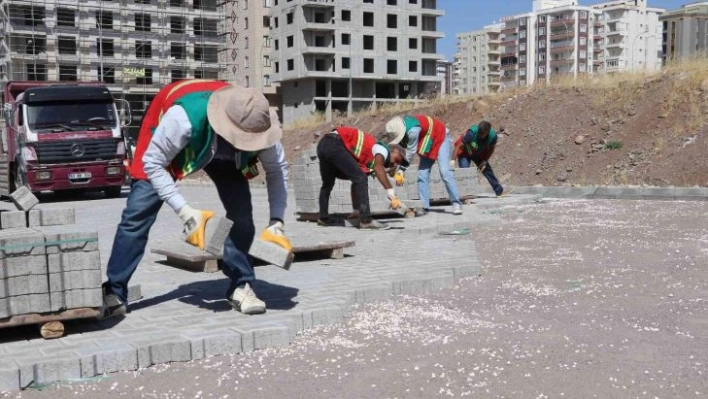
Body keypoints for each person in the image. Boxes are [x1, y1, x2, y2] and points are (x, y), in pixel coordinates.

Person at [101, 79, 290, 317]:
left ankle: (241, 285)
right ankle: (115, 291)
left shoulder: (260, 123)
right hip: (175, 141)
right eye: (241, 139)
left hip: (222, 151)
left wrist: (277, 222)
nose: (247, 143)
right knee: (137, 215)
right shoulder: (182, 119)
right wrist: (185, 211)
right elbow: (153, 163)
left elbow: (277, 171)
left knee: (242, 215)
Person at [317, 126, 408, 230]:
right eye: (397, 160)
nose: (395, 164)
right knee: (360, 178)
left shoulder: (371, 159)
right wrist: (391, 194)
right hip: (335, 144)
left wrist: (356, 210)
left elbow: (357, 181)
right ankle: (366, 221)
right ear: (395, 150)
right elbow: (379, 168)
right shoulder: (383, 149)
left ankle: (323, 218)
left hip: (324, 145)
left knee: (328, 184)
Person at [384, 115, 463, 216]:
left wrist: (401, 170)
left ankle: (456, 203)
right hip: (428, 141)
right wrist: (392, 166)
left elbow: (410, 152)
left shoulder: (412, 131)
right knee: (422, 174)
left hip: (440, 136)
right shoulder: (400, 128)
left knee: (445, 172)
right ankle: (424, 206)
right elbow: (399, 151)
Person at [454, 121, 505, 197]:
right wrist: (452, 161)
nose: (480, 135)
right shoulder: (471, 133)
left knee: (487, 170)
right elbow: (458, 146)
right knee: (464, 172)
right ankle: (465, 194)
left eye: (482, 134)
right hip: (465, 153)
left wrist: (485, 161)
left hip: (478, 153)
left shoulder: (492, 136)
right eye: (479, 133)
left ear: (487, 132)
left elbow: (491, 149)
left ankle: (498, 190)